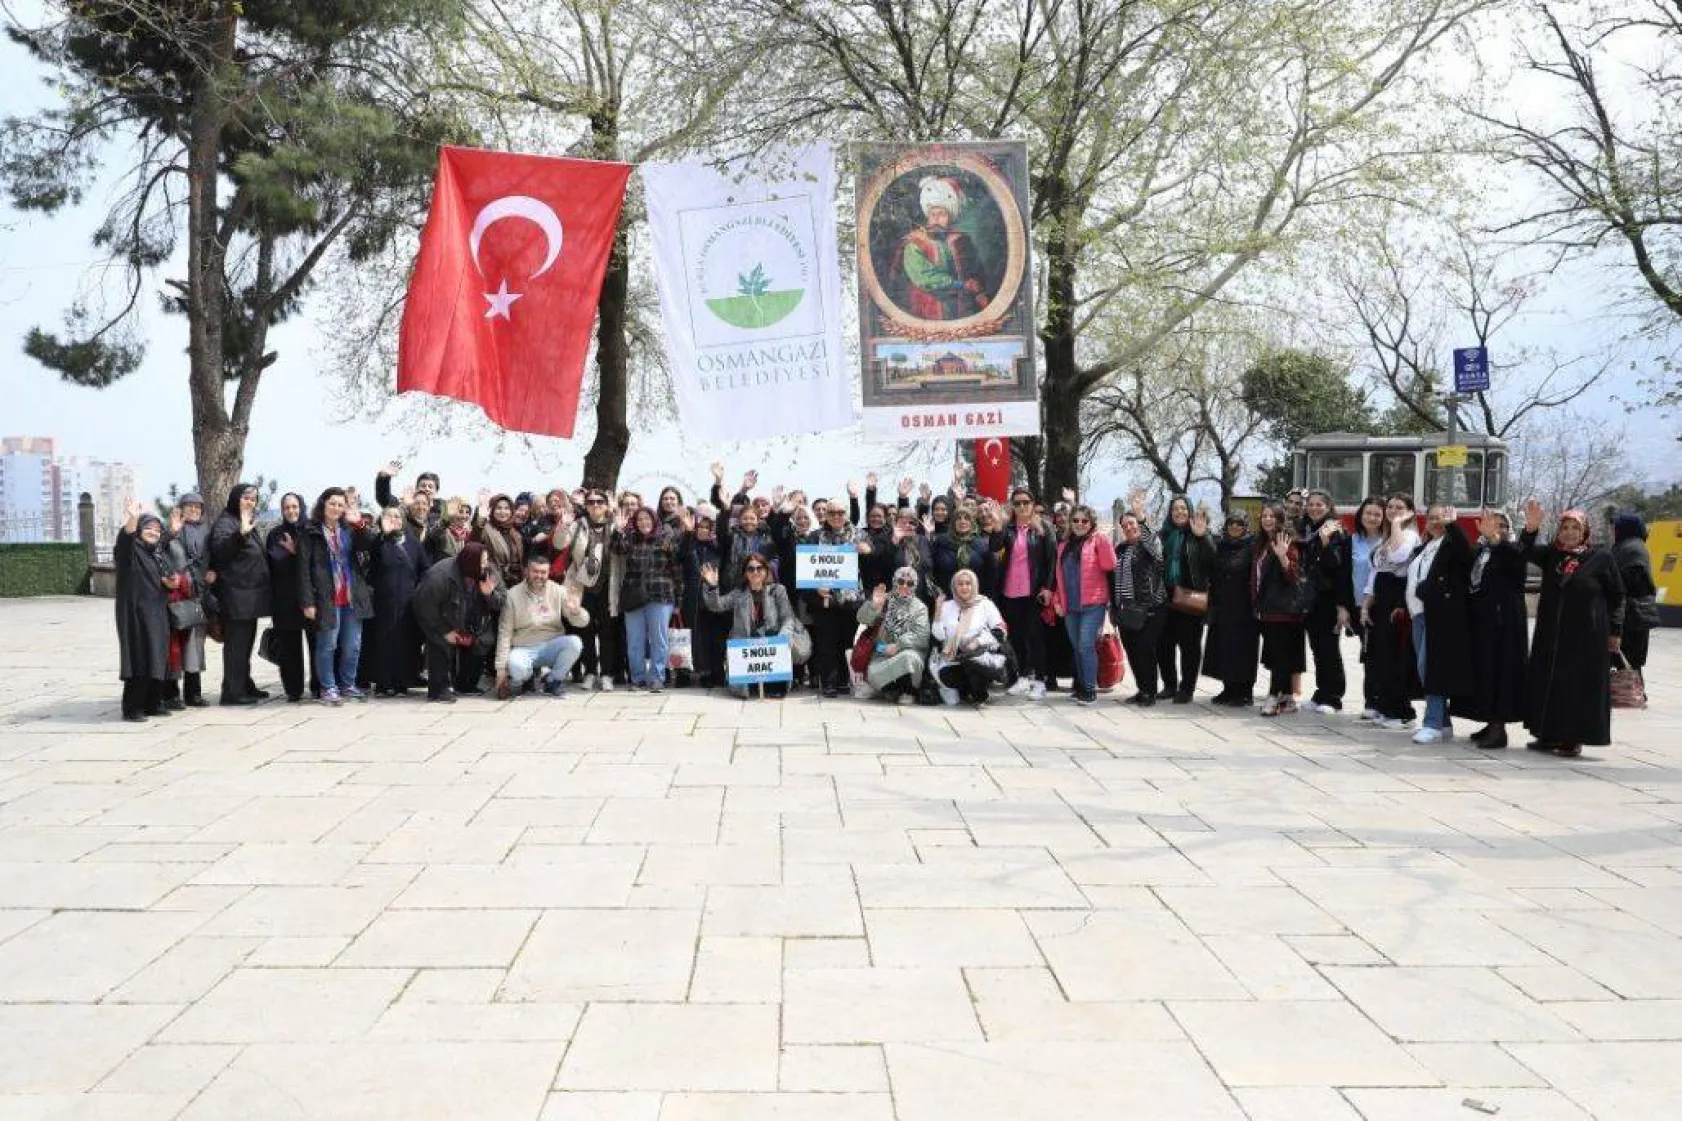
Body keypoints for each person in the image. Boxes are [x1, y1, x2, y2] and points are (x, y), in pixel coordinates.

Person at [1519, 502, 1625, 757]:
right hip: (1552, 633)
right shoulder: (1553, 555)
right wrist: (1531, 528)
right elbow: (1525, 551)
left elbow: (1618, 594)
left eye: (1574, 528)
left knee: (1576, 685)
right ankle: (1547, 733)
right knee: (1549, 682)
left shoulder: (1600, 557)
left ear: (1585, 531)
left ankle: (1572, 737)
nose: (1568, 532)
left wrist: (1616, 632)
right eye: (1564, 527)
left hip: (1586, 635)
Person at [298, 487, 378, 706]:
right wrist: (307, 601)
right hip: (326, 597)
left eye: (340, 505)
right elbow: (303, 569)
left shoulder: (349, 529)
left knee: (353, 645)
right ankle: (328, 687)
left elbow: (370, 545)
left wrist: (359, 524)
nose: (336, 508)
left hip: (351, 597)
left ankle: (347, 685)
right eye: (332, 503)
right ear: (323, 504)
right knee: (328, 645)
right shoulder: (310, 531)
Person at [1407, 504, 1475, 744]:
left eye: (1441, 518)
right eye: (1432, 517)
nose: (1436, 522)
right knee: (1425, 669)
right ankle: (1443, 723)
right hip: (1418, 615)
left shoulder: (1450, 544)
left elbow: (1466, 554)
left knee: (1430, 667)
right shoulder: (1424, 547)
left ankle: (1432, 723)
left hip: (1440, 616)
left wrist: (1453, 526)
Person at [1461, 509, 1528, 748]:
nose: (1495, 530)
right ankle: (1490, 721)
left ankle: (1499, 728)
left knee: (1501, 673)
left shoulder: (1512, 551)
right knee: (1485, 673)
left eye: (1501, 526)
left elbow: (1515, 565)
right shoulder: (1480, 551)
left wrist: (1496, 539)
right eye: (1491, 525)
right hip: (1483, 623)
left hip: (1504, 626)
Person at [411, 542, 505, 703]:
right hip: (444, 619)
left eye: (486, 561)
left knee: (483, 640)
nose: (485, 565)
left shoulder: (489, 572)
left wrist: (489, 594)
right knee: (439, 644)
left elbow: (502, 602)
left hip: (474, 621)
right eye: (482, 562)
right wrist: (444, 631)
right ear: (471, 562)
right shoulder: (440, 576)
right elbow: (424, 607)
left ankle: (466, 684)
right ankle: (438, 690)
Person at [700, 551, 798, 699]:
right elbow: (716, 606)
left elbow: (788, 618)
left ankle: (776, 682)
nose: (755, 572)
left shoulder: (778, 591)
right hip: (746, 647)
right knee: (744, 689)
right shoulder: (739, 593)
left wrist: (782, 639)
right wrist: (713, 586)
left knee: (774, 687)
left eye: (759, 568)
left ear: (766, 571)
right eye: (750, 569)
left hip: (771, 645)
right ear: (745, 573)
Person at [1360, 494, 1422, 730]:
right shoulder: (1385, 538)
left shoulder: (1409, 535)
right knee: (1380, 658)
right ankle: (1385, 707)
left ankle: (1402, 711)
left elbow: (1398, 556)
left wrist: (1396, 524)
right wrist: (1366, 605)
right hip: (1380, 601)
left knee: (1396, 658)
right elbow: (1375, 573)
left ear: (1410, 512)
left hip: (1397, 601)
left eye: (1400, 508)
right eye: (1391, 507)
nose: (1393, 510)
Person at [208, 483, 272, 706]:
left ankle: (244, 684)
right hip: (236, 597)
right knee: (236, 647)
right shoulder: (226, 523)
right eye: (246, 498)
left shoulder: (243, 522)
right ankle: (232, 693)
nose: (250, 502)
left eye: (253, 499)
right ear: (236, 499)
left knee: (245, 646)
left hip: (248, 598)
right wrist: (240, 535)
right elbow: (220, 550)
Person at [895, 175, 991, 320]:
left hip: (961, 307)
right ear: (927, 215)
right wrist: (961, 285)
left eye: (942, 214)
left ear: (950, 217)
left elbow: (975, 271)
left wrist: (978, 290)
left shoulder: (961, 240)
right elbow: (924, 277)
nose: (936, 219)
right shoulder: (914, 243)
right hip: (928, 307)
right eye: (933, 214)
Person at [114, 503, 177, 722]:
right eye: (148, 528)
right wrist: (132, 518)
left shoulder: (155, 553)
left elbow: (167, 574)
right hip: (135, 615)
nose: (154, 533)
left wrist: (171, 582)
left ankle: (152, 703)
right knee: (139, 658)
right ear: (139, 530)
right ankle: (132, 708)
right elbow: (125, 540)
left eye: (157, 530)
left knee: (157, 658)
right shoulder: (131, 551)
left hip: (157, 614)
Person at [496, 552, 589, 698]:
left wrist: (576, 611)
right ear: (526, 571)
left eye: (543, 572)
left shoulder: (558, 591)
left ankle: (552, 680)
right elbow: (505, 633)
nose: (539, 576)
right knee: (516, 668)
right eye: (535, 571)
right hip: (524, 647)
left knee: (575, 643)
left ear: (548, 573)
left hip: (551, 644)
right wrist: (501, 671)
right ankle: (527, 679)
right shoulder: (512, 595)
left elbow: (583, 622)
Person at [1053, 504, 1117, 706]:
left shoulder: (1097, 541)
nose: (1080, 524)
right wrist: (1057, 601)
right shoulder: (1063, 546)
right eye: (1076, 520)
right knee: (1077, 647)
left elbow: (1110, 565)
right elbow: (1059, 577)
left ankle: (1089, 690)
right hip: (1070, 605)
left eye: (1084, 521)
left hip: (1093, 604)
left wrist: (1104, 539)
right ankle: (1081, 685)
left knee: (1086, 646)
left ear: (1091, 524)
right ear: (1070, 523)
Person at [995, 487, 1054, 700]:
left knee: (1035, 637)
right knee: (1016, 637)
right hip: (1010, 591)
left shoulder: (1042, 528)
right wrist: (998, 524)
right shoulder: (1008, 528)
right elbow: (994, 546)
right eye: (1017, 503)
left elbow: (1051, 560)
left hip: (1033, 592)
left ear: (1032, 504)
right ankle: (1021, 677)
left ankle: (1040, 681)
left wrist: (1047, 587)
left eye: (1025, 503)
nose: (1021, 507)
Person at [615, 506, 682, 692]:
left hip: (660, 595)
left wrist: (679, 600)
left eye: (647, 519)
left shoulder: (665, 539)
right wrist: (619, 530)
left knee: (658, 640)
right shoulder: (630, 539)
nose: (644, 523)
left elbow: (676, 571)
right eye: (639, 520)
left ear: (654, 521)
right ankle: (637, 678)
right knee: (635, 640)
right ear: (635, 523)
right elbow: (617, 549)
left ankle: (657, 677)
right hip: (634, 596)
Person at [1155, 496, 1215, 704]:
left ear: (1189, 511)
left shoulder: (1198, 534)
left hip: (1190, 597)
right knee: (1164, 644)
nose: (1179, 512)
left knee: (1189, 646)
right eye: (1175, 509)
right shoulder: (1163, 535)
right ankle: (1169, 685)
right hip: (1165, 596)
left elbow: (1212, 560)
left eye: (1183, 508)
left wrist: (1203, 536)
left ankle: (1187, 688)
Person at [1110, 493, 1168, 706]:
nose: (1129, 528)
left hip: (1151, 608)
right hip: (1127, 610)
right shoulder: (1121, 549)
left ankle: (1150, 692)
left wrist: (1141, 517)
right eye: (1125, 525)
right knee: (1133, 651)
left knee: (1145, 648)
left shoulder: (1150, 544)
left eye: (1132, 523)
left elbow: (1151, 541)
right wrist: (1114, 607)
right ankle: (1142, 688)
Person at [563, 490, 623, 692]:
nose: (595, 505)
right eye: (591, 502)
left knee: (607, 632)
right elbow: (560, 543)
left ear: (606, 505)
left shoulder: (615, 525)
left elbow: (622, 550)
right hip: (582, 585)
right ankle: (590, 672)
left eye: (600, 501)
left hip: (608, 586)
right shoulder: (578, 525)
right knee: (584, 629)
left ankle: (606, 673)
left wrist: (621, 530)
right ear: (586, 505)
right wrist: (563, 525)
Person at [1299, 490, 1353, 713]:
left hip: (1329, 599)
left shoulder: (1335, 531)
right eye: (1311, 504)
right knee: (1317, 648)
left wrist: (1324, 542)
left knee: (1329, 648)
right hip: (1312, 598)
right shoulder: (1309, 529)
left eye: (1319, 504)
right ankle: (1321, 692)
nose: (1314, 508)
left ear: (1328, 507)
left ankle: (1333, 696)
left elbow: (1337, 567)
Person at [1252, 501, 1307, 717]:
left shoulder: (1286, 541)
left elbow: (1294, 577)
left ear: (1280, 519)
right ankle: (1286, 697)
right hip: (1268, 608)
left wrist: (1283, 557)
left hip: (1283, 610)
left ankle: (1274, 696)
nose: (1267, 520)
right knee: (1279, 654)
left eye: (1271, 516)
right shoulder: (1262, 544)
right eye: (1264, 516)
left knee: (1279, 655)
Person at [805, 504, 864, 697]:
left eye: (840, 512)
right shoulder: (814, 537)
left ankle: (844, 680)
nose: (836, 516)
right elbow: (806, 567)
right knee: (826, 642)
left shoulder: (859, 535)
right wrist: (815, 587)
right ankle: (829, 682)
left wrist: (868, 551)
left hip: (851, 599)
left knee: (847, 640)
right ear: (826, 515)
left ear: (846, 514)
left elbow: (876, 558)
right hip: (825, 600)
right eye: (832, 513)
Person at [367, 504, 426, 697]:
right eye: (389, 516)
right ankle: (383, 683)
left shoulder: (413, 543)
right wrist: (383, 536)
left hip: (408, 602)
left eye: (398, 517)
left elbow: (424, 569)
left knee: (405, 642)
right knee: (382, 642)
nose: (394, 520)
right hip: (383, 601)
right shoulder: (378, 542)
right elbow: (371, 567)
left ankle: (402, 682)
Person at [1204, 510, 1259, 706]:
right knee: (1224, 648)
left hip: (1244, 608)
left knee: (1243, 650)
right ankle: (1228, 689)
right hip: (1223, 606)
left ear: (1245, 526)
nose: (1234, 527)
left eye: (1239, 523)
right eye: (1231, 523)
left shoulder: (1252, 546)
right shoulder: (1222, 546)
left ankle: (1244, 692)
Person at [929, 569, 1009, 705]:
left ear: (974, 585)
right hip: (951, 662)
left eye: (968, 583)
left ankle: (979, 694)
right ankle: (964, 691)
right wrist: (937, 613)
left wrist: (978, 641)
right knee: (952, 699)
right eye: (960, 584)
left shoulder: (984, 604)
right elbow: (939, 636)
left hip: (978, 659)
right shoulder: (947, 606)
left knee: (973, 665)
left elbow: (1001, 630)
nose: (964, 587)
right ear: (954, 586)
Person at [161, 492, 211, 708]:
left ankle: (194, 693)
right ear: (181, 508)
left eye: (197, 507)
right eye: (189, 506)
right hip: (174, 595)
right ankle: (171, 694)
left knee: (194, 646)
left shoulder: (207, 532)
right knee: (173, 646)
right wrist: (171, 532)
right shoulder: (168, 529)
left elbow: (213, 556)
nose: (193, 510)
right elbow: (158, 553)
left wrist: (213, 571)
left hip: (197, 594)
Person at [264, 492, 315, 702]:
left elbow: (319, 563)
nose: (291, 511)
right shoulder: (276, 534)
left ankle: (320, 685)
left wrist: (298, 552)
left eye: (295, 507)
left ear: (302, 507)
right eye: (287, 508)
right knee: (290, 647)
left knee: (317, 644)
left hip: (312, 598)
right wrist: (292, 555)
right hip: (285, 600)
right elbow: (276, 561)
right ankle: (293, 689)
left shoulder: (312, 531)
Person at [856, 566, 932, 702]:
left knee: (909, 659)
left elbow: (921, 636)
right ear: (894, 581)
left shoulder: (920, 607)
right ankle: (890, 690)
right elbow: (862, 619)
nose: (904, 586)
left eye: (910, 583)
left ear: (915, 586)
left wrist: (898, 645)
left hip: (907, 653)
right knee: (873, 673)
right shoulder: (885, 600)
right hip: (881, 654)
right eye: (901, 581)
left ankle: (907, 692)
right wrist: (874, 605)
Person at [1347, 497, 1387, 719]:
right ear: (1361, 515)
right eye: (1368, 513)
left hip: (1380, 606)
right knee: (1368, 652)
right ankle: (1372, 700)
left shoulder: (1388, 540)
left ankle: (1379, 701)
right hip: (1357, 605)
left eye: (1377, 514)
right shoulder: (1351, 540)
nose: (1372, 518)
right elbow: (1344, 575)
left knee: (1378, 654)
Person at [1611, 511, 1658, 680]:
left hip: (1631, 614)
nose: (1612, 530)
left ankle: (1634, 695)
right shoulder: (1631, 545)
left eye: (1616, 527)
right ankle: (1634, 694)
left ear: (1626, 529)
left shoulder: (1630, 548)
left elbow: (1630, 581)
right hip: (1633, 613)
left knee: (1629, 660)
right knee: (1629, 661)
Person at [933, 506, 993, 599]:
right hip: (948, 599)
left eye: (966, 518)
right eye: (958, 518)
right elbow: (934, 571)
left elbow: (989, 575)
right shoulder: (941, 542)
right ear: (953, 522)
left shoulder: (982, 545)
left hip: (975, 599)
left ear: (972, 522)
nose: (962, 521)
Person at [475, 493, 526, 588]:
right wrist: (480, 519)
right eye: (499, 508)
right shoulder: (485, 528)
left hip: (515, 583)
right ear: (492, 510)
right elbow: (474, 540)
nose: (503, 512)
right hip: (494, 583)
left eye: (507, 508)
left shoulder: (515, 532)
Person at [424, 497, 473, 565]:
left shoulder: (468, 535)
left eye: (467, 512)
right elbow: (435, 534)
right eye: (460, 511)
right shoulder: (442, 531)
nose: (464, 516)